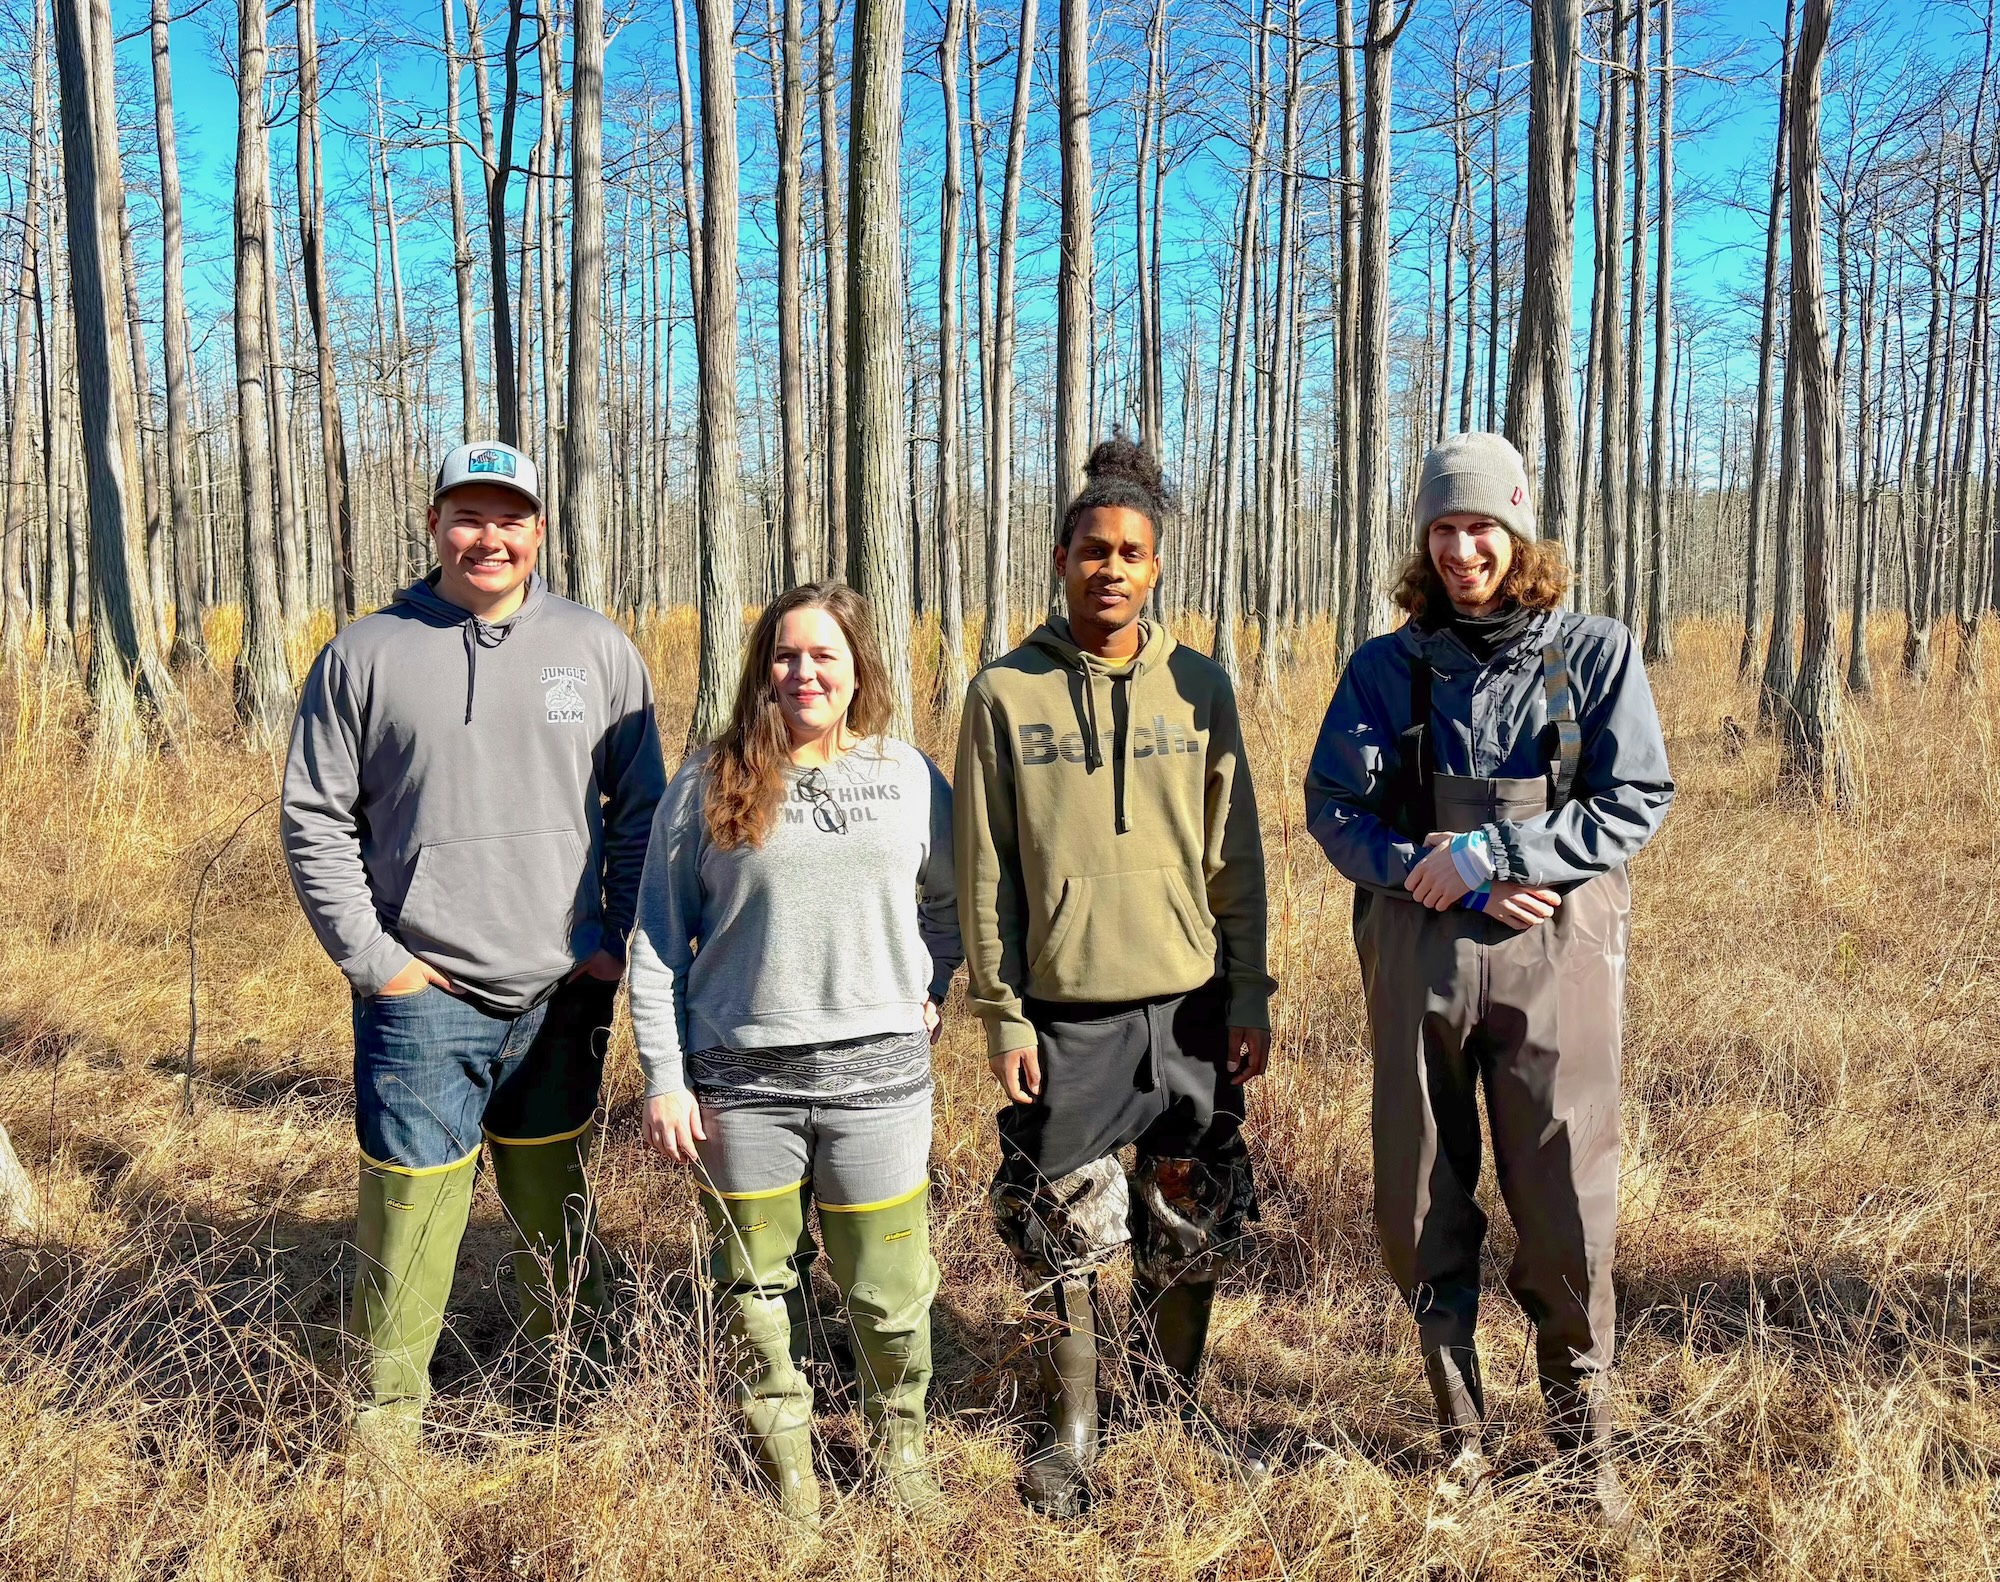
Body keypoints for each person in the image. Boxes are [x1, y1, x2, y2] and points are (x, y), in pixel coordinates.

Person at [1303, 431, 1674, 1532]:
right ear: (1421, 538)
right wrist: (1442, 876)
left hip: (1555, 946)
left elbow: (1634, 797)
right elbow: (1335, 808)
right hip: (1418, 946)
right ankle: (1457, 1430)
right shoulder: (1385, 666)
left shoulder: (1594, 653)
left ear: (1517, 530)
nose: (1462, 548)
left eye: (1481, 527)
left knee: (1564, 1191)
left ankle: (1579, 1440)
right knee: (1418, 1191)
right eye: (1442, 527)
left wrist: (1507, 858)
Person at [282, 439, 666, 1452]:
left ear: (539, 530)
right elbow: (313, 817)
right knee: (407, 1218)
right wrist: (379, 962)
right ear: (434, 523)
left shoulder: (594, 647)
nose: (487, 536)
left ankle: (573, 1387)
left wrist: (611, 944)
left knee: (554, 1202)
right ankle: (384, 1429)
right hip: (420, 994)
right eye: (467, 514)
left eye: (509, 517)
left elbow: (641, 809)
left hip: (562, 988)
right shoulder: (366, 652)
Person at [955, 439, 1275, 1518]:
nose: (1111, 567)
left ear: (1153, 567)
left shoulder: (1198, 689)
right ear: (1059, 558)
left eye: (1131, 552)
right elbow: (985, 868)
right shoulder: (1004, 692)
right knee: (1058, 1228)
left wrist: (1247, 991)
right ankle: (1072, 1429)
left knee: (1188, 1213)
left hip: (1186, 1009)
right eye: (1093, 549)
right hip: (1065, 1014)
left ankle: (1170, 1402)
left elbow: (1235, 854)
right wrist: (1001, 1011)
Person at [628, 582, 961, 1524]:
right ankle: (790, 1469)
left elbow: (952, 900)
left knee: (890, 1294)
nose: (803, 672)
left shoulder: (906, 777)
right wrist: (666, 1077)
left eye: (824, 655)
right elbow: (659, 941)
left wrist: (930, 986)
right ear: (761, 670)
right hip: (744, 1085)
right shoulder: (708, 783)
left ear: (859, 669)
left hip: (880, 1085)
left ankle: (900, 1451)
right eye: (785, 655)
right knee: (754, 1292)